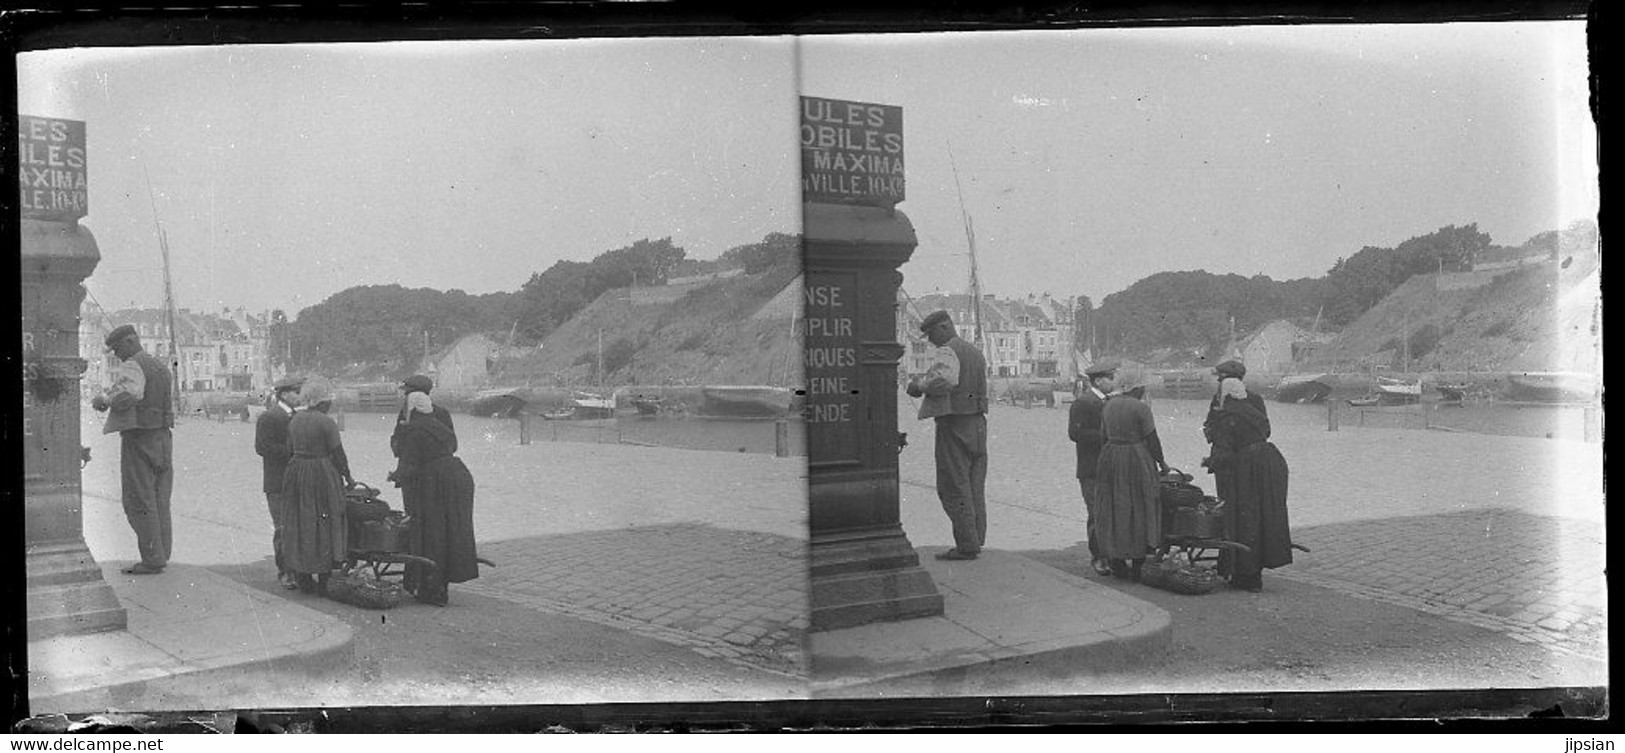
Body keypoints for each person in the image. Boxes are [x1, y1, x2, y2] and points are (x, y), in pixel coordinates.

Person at [90, 324, 175, 575]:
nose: (116, 354)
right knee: (161, 500)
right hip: (163, 437)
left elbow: (131, 392)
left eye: (117, 348)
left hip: (140, 437)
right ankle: (162, 553)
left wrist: (105, 400)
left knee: (139, 499)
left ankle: (152, 560)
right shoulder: (159, 366)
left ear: (129, 341)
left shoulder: (133, 363)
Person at [905, 310, 989, 561]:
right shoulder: (974, 351)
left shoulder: (947, 349)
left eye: (931, 334)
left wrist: (919, 386)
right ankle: (976, 539)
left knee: (953, 485)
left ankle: (966, 545)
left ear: (943, 327)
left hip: (954, 423)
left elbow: (946, 378)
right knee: (975, 485)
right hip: (978, 423)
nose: (930, 341)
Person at [1202, 377, 1293, 592]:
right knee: (1264, 515)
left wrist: (1210, 462)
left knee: (1245, 518)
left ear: (1226, 394)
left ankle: (1247, 575)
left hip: (1247, 469)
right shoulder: (1254, 409)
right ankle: (1255, 570)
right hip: (1270, 464)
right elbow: (1265, 433)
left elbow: (1224, 450)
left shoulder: (1227, 415)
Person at [390, 389, 479, 606]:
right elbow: (452, 447)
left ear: (412, 409)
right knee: (452, 530)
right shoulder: (440, 425)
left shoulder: (414, 430)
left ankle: (430, 586)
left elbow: (409, 464)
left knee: (432, 533)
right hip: (458, 478)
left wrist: (395, 476)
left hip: (435, 483)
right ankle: (442, 584)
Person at [1093, 368, 1169, 581]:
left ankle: (1117, 561)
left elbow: (1103, 436)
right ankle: (1137, 564)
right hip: (1135, 458)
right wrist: (1162, 464)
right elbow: (1153, 440)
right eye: (1143, 387)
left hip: (1110, 456)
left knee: (1114, 506)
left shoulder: (1108, 405)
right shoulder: (1141, 408)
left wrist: (1106, 461)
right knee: (1140, 505)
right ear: (1137, 388)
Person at [280, 376, 352, 595]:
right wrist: (348, 477)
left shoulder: (295, 420)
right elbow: (338, 453)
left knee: (301, 522)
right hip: (321, 473)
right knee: (325, 521)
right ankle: (323, 578)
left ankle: (303, 576)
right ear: (321, 402)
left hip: (296, 471)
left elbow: (290, 449)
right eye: (328, 401)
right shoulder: (326, 422)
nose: (330, 404)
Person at [1068, 360, 1118, 577]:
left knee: (1110, 512)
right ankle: (1099, 557)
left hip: (1108, 467)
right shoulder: (1083, 403)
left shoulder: (1110, 402)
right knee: (1096, 513)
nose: (1113, 382)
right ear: (1098, 380)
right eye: (1110, 378)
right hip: (1091, 468)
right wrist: (1106, 436)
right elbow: (1075, 434)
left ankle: (1111, 555)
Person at [255, 375, 304, 590]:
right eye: (296, 392)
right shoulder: (270, 417)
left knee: (295, 526)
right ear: (284, 394)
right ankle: (285, 571)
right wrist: (293, 453)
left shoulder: (295, 416)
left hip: (292, 480)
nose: (299, 396)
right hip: (278, 482)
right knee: (283, 527)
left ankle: (296, 570)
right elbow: (262, 447)